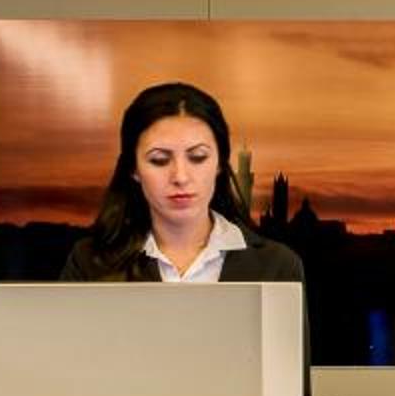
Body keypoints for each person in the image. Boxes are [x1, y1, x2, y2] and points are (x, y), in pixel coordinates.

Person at [56, 81, 305, 285]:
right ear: (133, 168)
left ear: (220, 163)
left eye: (198, 157)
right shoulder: (89, 263)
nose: (180, 177)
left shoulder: (278, 266)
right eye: (159, 160)